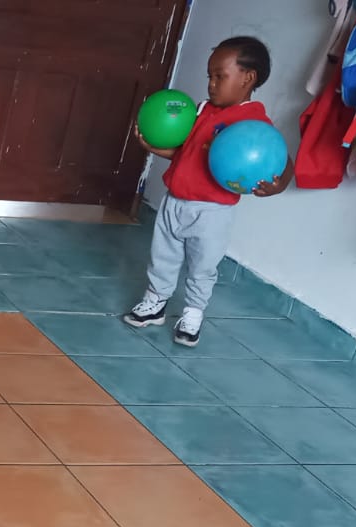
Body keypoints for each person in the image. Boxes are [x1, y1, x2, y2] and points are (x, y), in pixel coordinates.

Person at [124, 36, 293, 347]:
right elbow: (186, 155)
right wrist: (153, 147)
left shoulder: (253, 122)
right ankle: (155, 302)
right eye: (209, 76)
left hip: (212, 211)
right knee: (162, 257)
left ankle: (193, 313)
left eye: (219, 76)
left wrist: (279, 184)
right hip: (175, 201)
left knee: (202, 266)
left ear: (247, 78)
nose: (211, 85)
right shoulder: (202, 110)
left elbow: (281, 157)